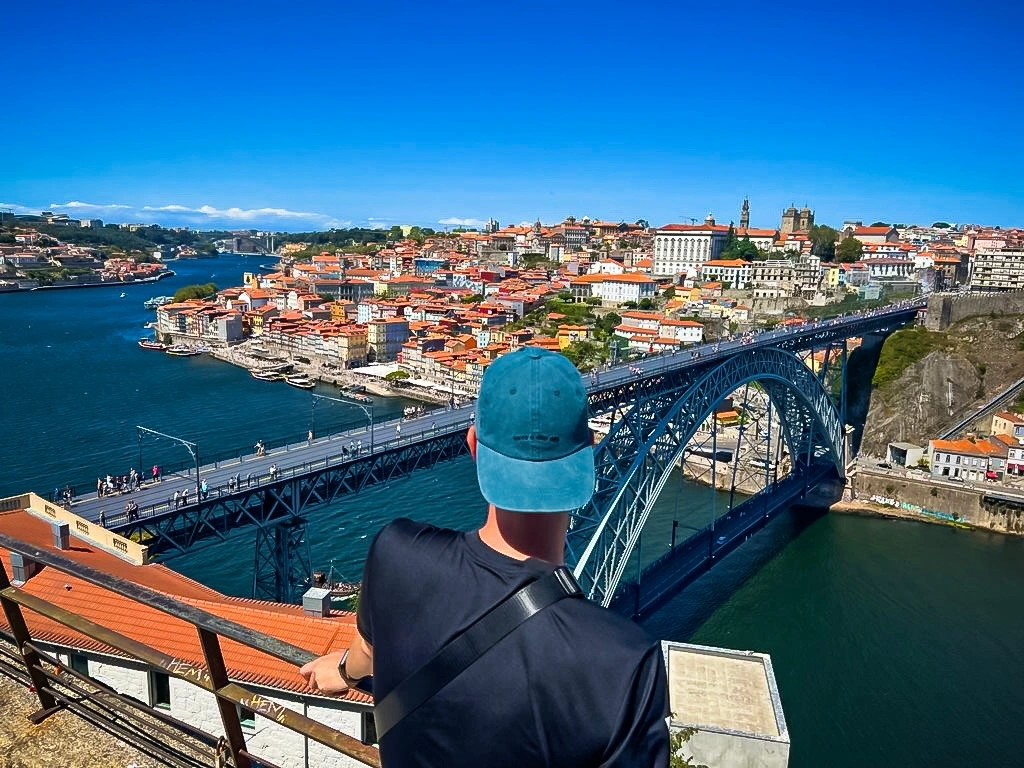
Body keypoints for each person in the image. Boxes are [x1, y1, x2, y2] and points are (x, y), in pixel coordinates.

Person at [300, 347, 669, 767]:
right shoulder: (625, 661)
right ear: (587, 453)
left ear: (473, 446)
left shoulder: (394, 553)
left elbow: (368, 655)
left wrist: (345, 671)